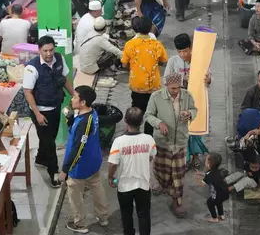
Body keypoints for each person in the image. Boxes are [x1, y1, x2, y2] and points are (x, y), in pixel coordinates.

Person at [23, 36, 75, 187]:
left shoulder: (59, 59)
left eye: (51, 50)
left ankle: (40, 159)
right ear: (39, 50)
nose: (49, 54)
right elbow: (28, 92)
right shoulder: (31, 68)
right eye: (45, 50)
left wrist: (75, 95)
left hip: (55, 105)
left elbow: (64, 79)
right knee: (50, 143)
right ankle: (54, 174)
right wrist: (38, 114)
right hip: (40, 111)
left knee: (50, 136)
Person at [144, 72, 196, 218]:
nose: (176, 91)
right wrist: (159, 123)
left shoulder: (187, 96)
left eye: (178, 88)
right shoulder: (156, 97)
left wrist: (189, 114)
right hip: (162, 141)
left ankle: (176, 201)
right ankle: (162, 184)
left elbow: (194, 109)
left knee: (178, 174)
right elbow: (148, 115)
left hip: (180, 142)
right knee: (161, 168)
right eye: (172, 88)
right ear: (166, 86)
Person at [60, 86, 108, 233]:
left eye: (75, 97)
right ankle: (103, 216)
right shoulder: (91, 113)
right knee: (96, 185)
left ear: (83, 102)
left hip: (81, 166)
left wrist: (65, 170)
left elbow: (77, 149)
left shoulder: (83, 123)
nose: (72, 99)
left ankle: (79, 223)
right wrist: (70, 119)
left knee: (75, 194)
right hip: (94, 161)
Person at [163, 33, 210, 168]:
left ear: (191, 48)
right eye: (180, 52)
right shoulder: (173, 61)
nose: (183, 55)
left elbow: (208, 77)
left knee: (195, 130)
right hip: (178, 101)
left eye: (185, 51)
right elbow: (166, 79)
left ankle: (195, 155)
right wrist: (183, 79)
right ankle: (185, 156)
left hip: (196, 100)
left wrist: (208, 80)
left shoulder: (200, 60)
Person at [108, 107, 156, 235]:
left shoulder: (118, 142)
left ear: (125, 121)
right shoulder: (149, 139)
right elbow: (151, 156)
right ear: (141, 122)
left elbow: (113, 163)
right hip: (143, 184)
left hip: (124, 186)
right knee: (144, 214)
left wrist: (110, 177)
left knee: (126, 214)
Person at [122, 17, 169, 135]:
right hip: (153, 86)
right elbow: (164, 62)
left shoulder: (130, 44)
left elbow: (124, 64)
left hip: (137, 84)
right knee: (151, 112)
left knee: (136, 109)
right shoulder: (157, 44)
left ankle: (133, 131)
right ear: (150, 29)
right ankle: (148, 136)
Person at [200, 152, 230, 223]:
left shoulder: (209, 175)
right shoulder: (218, 171)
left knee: (210, 202)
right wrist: (202, 174)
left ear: (210, 164)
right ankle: (221, 215)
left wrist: (197, 179)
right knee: (219, 202)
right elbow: (209, 174)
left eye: (207, 160)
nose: (205, 160)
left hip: (218, 194)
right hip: (225, 192)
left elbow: (202, 184)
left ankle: (214, 218)